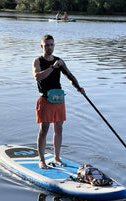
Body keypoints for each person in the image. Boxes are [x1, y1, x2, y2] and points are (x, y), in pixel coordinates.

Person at [32, 34, 85, 169]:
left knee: (59, 129)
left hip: (58, 99)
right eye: (47, 45)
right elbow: (37, 77)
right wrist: (52, 67)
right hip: (45, 99)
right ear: (42, 46)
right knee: (44, 129)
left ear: (54, 45)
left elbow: (70, 76)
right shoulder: (38, 61)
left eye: (51, 45)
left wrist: (79, 88)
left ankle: (57, 157)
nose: (49, 47)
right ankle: (42, 160)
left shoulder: (59, 61)